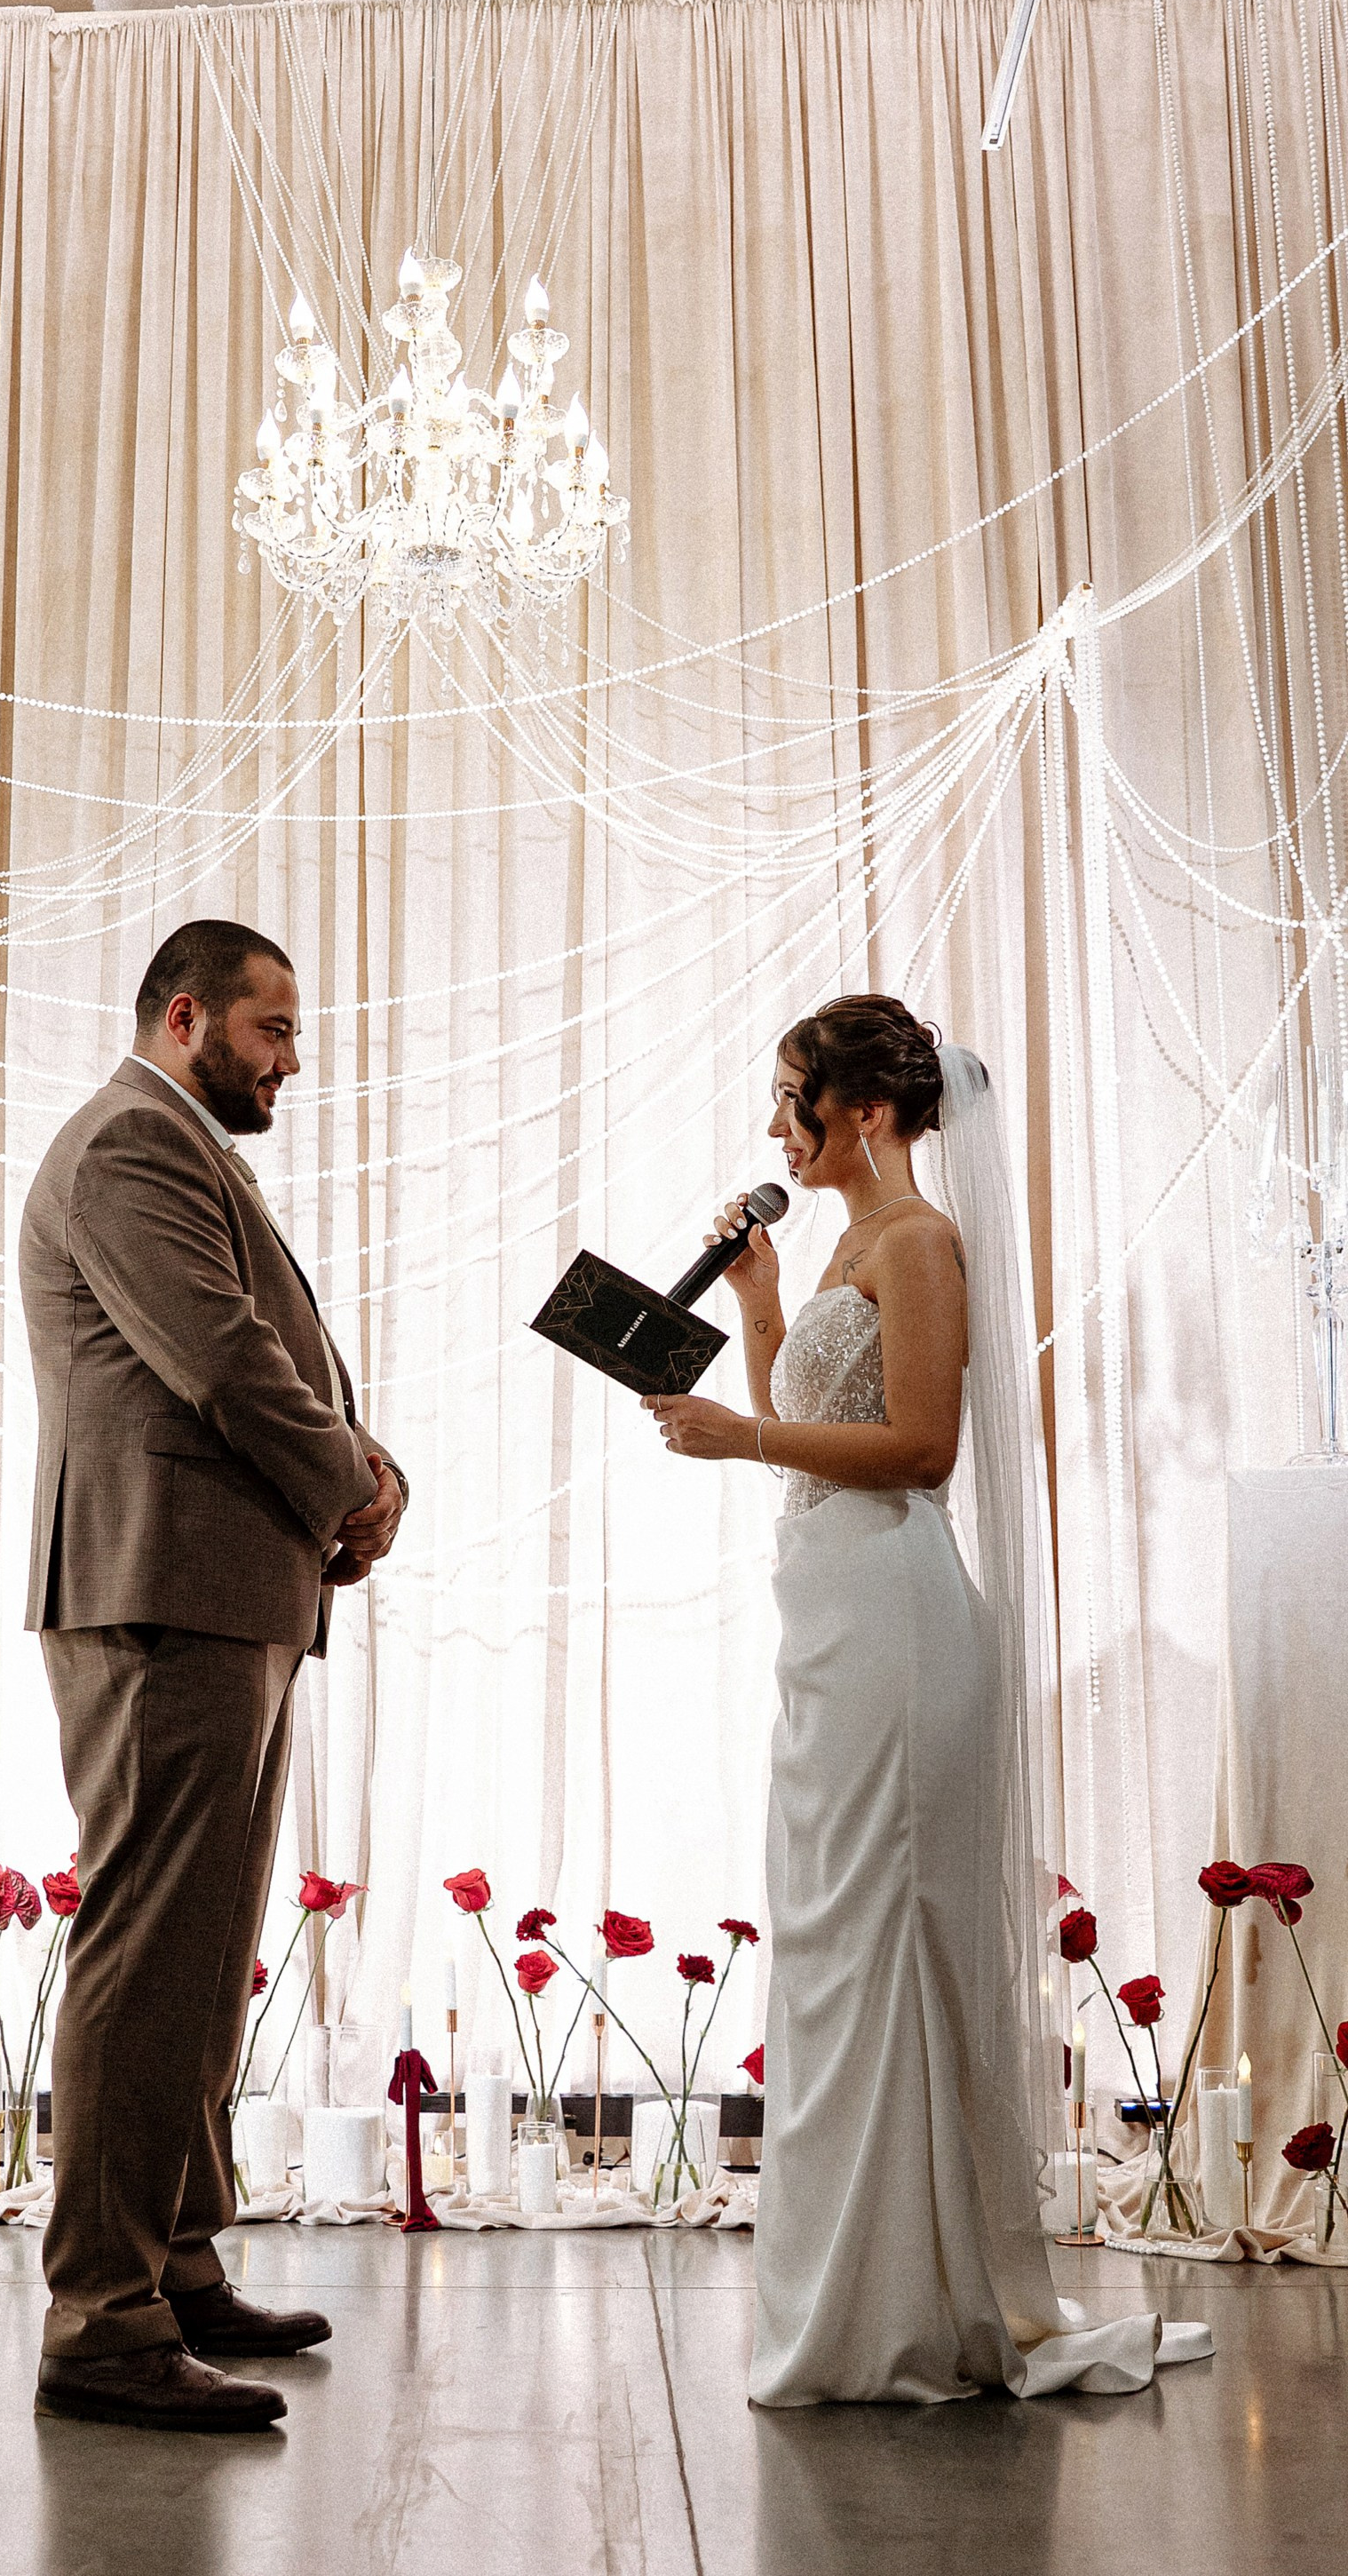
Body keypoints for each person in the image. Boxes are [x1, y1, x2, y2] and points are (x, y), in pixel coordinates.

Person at [645, 994, 1209, 2404]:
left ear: (869, 1113)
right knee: (834, 1945)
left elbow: (917, 1447)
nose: (775, 1127)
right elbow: (819, 1430)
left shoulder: (921, 1241)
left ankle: (900, 2308)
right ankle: (863, 2286)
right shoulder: (844, 1244)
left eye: (793, 1101)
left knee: (887, 1936)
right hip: (830, 1619)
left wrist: (735, 1435)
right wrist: (763, 1304)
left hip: (899, 1618)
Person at [20, 918, 407, 2434]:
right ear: (188, 1017)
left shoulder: (178, 1144)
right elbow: (225, 1356)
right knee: (145, 1948)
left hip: (221, 1588)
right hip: (158, 1593)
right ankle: (102, 2322)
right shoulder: (129, 1144)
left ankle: (174, 2263)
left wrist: (348, 1483)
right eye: (274, 1031)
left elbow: (258, 1359)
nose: (292, 1061)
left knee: (201, 1947)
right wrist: (353, 1487)